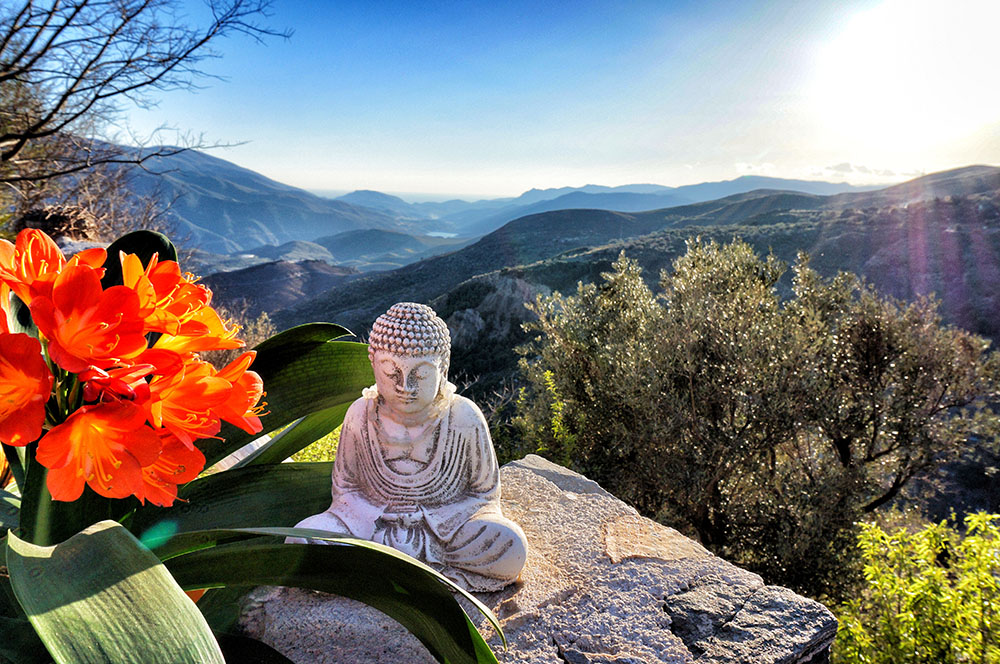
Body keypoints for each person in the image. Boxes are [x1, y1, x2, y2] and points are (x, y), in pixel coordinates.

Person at [287, 302, 527, 591]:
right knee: (301, 539)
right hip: (374, 531)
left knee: (509, 546)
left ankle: (382, 576)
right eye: (392, 372)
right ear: (373, 364)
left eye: (421, 374)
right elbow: (345, 490)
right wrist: (380, 516)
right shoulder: (360, 414)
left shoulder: (463, 416)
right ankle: (412, 574)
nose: (406, 385)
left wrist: (430, 518)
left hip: (445, 536)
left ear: (443, 368)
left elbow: (484, 495)